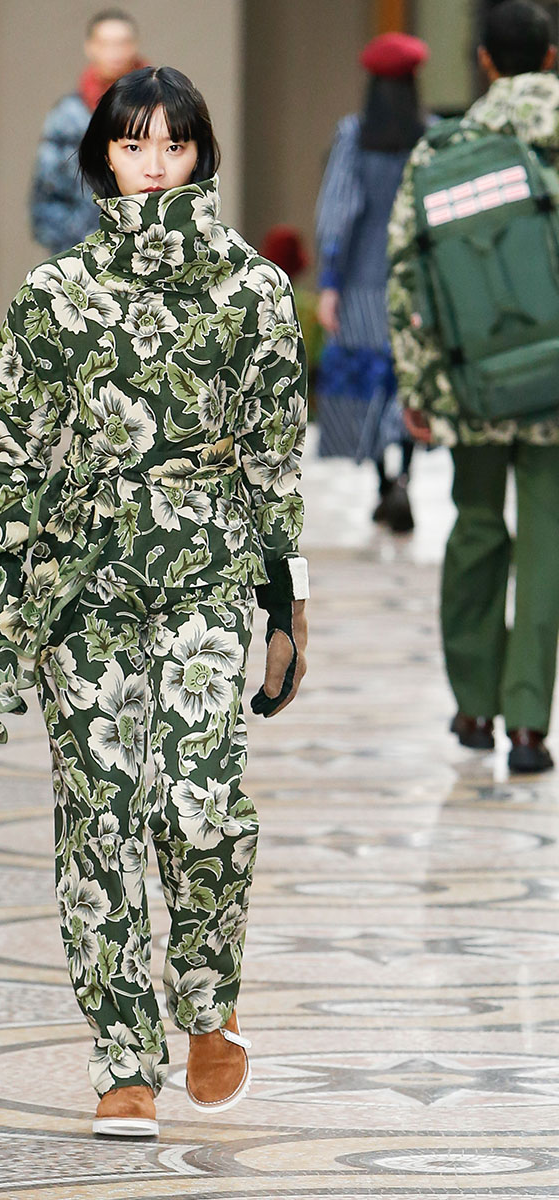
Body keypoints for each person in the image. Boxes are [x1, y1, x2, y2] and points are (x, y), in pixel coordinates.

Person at [0, 65, 309, 1136]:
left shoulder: (252, 291)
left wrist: (285, 611)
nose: (154, 165)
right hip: (82, 584)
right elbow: (13, 462)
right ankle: (122, 1061)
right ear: (102, 156)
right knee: (99, 815)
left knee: (203, 809)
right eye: (133, 143)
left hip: (206, 570)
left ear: (201, 155)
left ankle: (207, 1001)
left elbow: (276, 458)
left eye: (174, 144)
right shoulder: (50, 297)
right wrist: (0, 599)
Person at [388, 0, 559, 773]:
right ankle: (529, 725)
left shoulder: (445, 148)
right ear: (550, 58)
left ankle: (473, 704)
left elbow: (405, 271)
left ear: (485, 61)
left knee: (477, 527)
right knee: (548, 543)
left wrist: (419, 385)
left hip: (474, 376)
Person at [316, 32, 430, 533]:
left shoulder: (354, 135)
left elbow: (338, 213)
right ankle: (405, 475)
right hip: (418, 285)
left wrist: (329, 282)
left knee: (369, 383)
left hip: (361, 284)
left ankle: (384, 482)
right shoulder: (430, 135)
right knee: (408, 380)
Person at [29, 9, 143, 254]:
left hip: (150, 247)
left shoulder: (157, 112)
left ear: (134, 46)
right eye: (105, 44)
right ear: (90, 47)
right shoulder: (68, 116)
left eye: (122, 43)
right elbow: (46, 192)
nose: (114, 53)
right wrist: (74, 246)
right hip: (83, 251)